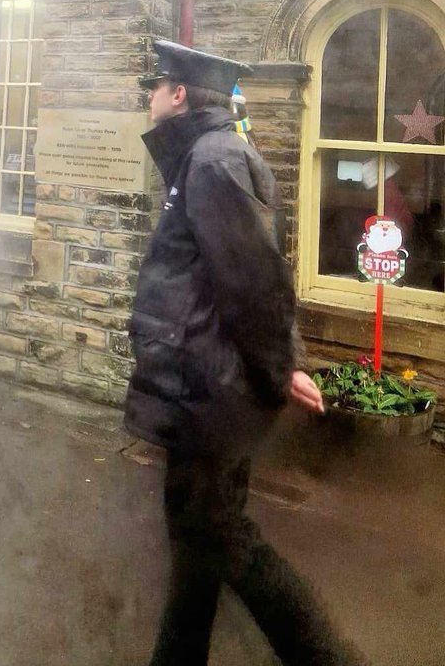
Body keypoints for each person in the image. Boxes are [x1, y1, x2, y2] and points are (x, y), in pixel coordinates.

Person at [125, 39, 367, 666]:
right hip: (201, 389)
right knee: (198, 546)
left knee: (224, 539)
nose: (149, 96)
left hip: (208, 394)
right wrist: (282, 362)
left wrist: (283, 366)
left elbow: (255, 279)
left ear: (180, 94)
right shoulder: (204, 157)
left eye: (156, 86)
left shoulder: (213, 162)